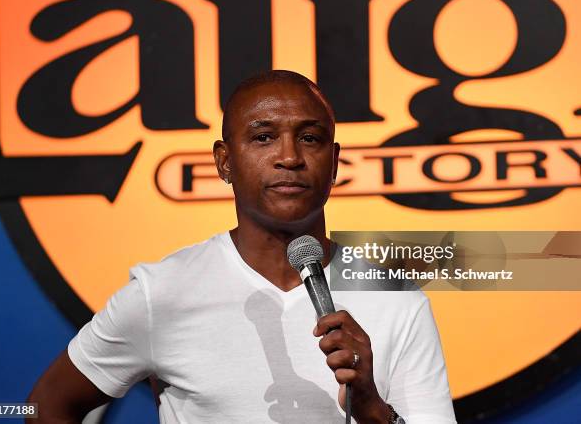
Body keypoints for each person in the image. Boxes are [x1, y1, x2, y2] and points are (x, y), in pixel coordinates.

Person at [28, 70, 456, 423]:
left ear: (335, 160)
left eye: (309, 138)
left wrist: (372, 409)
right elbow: (47, 405)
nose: (289, 157)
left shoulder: (397, 300)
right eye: (263, 137)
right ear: (224, 161)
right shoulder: (163, 292)